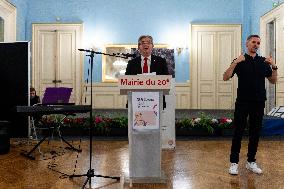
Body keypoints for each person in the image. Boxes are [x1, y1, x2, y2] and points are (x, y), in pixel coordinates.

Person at [223, 35, 278, 175]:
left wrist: (274, 66)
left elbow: (273, 81)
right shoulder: (240, 60)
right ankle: (234, 163)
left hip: (259, 102)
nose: (256, 44)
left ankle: (251, 162)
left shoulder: (263, 62)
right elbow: (225, 77)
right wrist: (235, 62)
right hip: (242, 102)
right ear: (247, 43)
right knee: (238, 132)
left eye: (258, 43)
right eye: (253, 42)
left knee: (255, 133)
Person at [125, 35, 169, 108]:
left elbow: (166, 80)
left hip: (156, 100)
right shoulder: (132, 63)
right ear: (139, 46)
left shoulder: (161, 61)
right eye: (143, 43)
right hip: (137, 100)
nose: (146, 44)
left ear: (152, 46)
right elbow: (126, 81)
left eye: (148, 42)